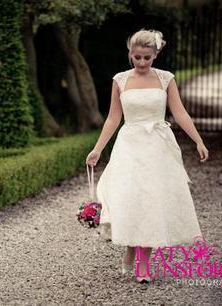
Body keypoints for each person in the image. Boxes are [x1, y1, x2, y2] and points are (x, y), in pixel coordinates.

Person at [85, 29, 209, 284]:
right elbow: (113, 118)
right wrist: (97, 149)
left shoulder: (166, 79)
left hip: (158, 146)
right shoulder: (120, 80)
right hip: (130, 145)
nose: (142, 63)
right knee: (131, 196)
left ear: (155, 55)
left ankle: (143, 263)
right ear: (130, 54)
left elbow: (180, 113)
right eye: (137, 57)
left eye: (147, 58)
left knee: (152, 200)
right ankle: (132, 245)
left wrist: (198, 140)